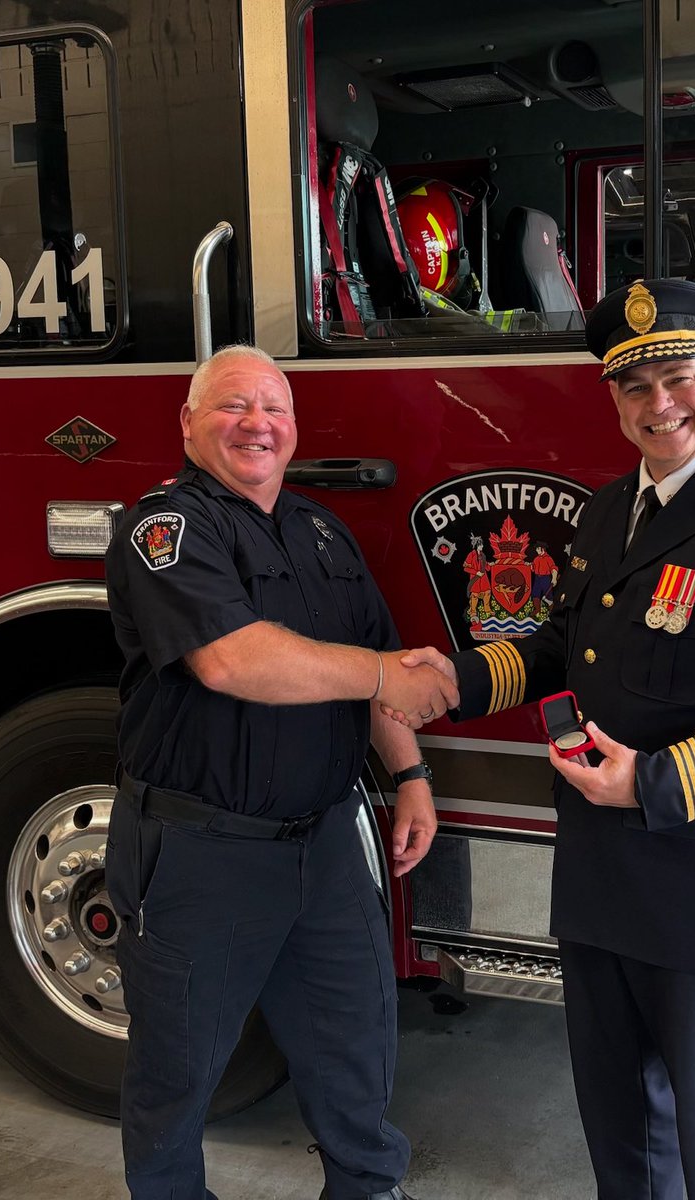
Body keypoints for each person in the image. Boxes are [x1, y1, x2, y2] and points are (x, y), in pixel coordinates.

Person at [397, 280, 695, 1200]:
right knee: (623, 1139)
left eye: (678, 378)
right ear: (613, 399)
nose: (660, 405)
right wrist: (455, 679)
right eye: (635, 387)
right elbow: (562, 647)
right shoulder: (609, 512)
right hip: (601, 878)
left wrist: (650, 783)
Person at [104, 344, 456, 1200]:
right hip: (203, 852)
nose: (256, 424)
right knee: (178, 1075)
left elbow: (370, 665)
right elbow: (231, 660)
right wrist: (384, 675)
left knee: (356, 1049)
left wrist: (410, 775)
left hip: (326, 843)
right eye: (233, 405)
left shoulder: (320, 531)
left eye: (275, 408)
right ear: (188, 423)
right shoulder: (166, 529)